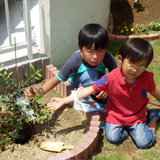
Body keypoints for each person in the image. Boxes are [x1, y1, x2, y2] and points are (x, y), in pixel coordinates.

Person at [47, 38, 160, 148]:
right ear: (120, 59)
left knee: (144, 143)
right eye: (131, 64)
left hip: (137, 116)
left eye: (141, 66)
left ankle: (153, 117)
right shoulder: (110, 77)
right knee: (112, 138)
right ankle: (127, 129)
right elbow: (89, 90)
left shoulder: (147, 78)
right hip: (116, 115)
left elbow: (154, 91)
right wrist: (64, 100)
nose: (135, 70)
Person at [26, 23, 117, 106]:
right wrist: (40, 92)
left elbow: (117, 74)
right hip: (79, 78)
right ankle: (89, 92)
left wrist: (107, 87)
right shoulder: (75, 60)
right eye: (90, 52)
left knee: (109, 82)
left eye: (100, 51)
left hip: (99, 76)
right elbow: (57, 78)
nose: (96, 56)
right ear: (80, 49)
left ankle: (98, 93)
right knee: (89, 75)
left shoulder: (107, 56)